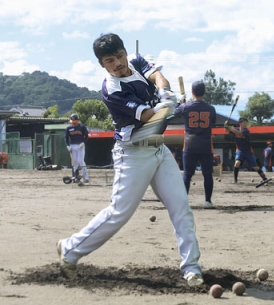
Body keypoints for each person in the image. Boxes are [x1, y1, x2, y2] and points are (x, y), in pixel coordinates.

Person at [57, 33, 204, 287]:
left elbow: (157, 75)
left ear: (126, 52)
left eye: (120, 56)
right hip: (132, 153)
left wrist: (165, 91)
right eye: (110, 60)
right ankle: (70, 249)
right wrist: (168, 108)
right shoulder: (111, 89)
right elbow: (148, 116)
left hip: (158, 150)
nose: (118, 63)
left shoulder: (136, 60)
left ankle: (192, 269)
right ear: (102, 64)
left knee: (181, 209)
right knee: (119, 213)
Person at [173, 80, 217, 209]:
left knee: (187, 174)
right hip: (205, 144)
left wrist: (179, 102)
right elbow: (212, 123)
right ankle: (208, 201)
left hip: (190, 144)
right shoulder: (210, 109)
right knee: (207, 174)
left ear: (192, 92)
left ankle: (183, 202)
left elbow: (174, 113)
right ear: (204, 92)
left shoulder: (186, 107)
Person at [224, 117, 267, 183]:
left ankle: (264, 178)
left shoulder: (246, 131)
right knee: (237, 163)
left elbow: (239, 133)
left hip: (248, 151)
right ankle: (235, 180)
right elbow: (226, 131)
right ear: (240, 123)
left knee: (255, 167)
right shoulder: (236, 129)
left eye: (246, 123)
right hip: (240, 150)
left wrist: (229, 127)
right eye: (244, 123)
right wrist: (225, 126)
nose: (245, 124)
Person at [64, 114, 89, 183]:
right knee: (74, 162)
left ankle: (86, 177)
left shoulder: (82, 127)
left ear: (77, 120)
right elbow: (66, 137)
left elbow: (86, 136)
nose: (73, 122)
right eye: (72, 120)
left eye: (75, 120)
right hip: (72, 145)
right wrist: (67, 146)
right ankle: (75, 177)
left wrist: (83, 143)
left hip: (80, 145)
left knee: (80, 161)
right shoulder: (68, 128)